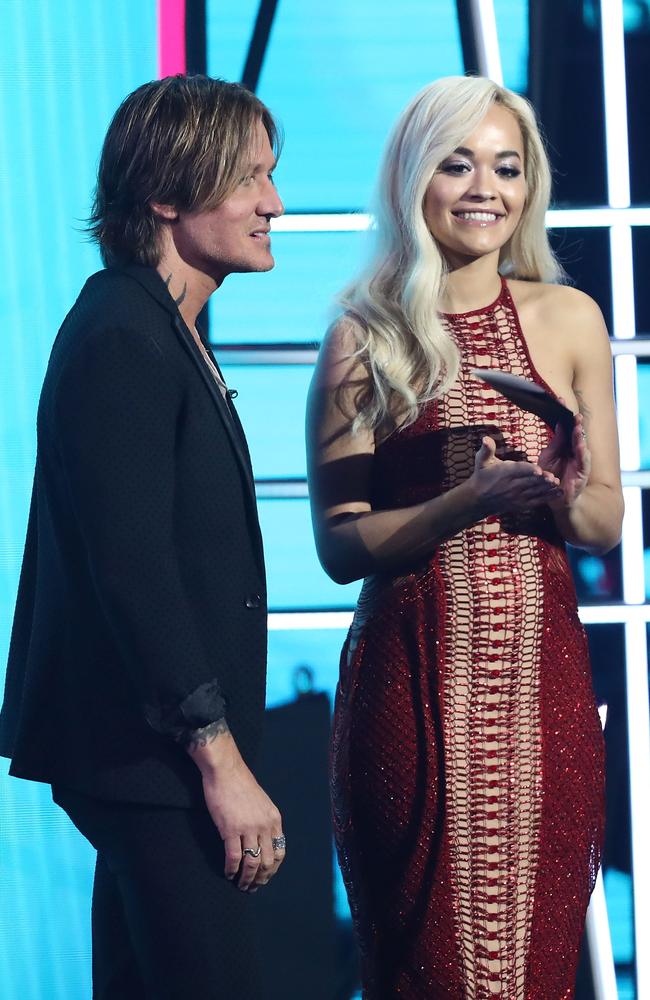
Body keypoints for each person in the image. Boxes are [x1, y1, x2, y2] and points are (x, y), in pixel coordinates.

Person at [306, 76, 623, 999]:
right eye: (458, 163)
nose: (486, 187)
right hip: (409, 691)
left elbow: (604, 520)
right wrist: (466, 501)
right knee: (423, 969)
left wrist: (562, 494)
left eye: (507, 166)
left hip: (543, 693)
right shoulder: (362, 336)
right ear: (415, 179)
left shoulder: (571, 319)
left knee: (535, 970)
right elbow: (337, 547)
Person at [0, 75, 286, 999]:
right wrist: (221, 761)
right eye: (249, 179)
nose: (272, 204)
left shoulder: (162, 328)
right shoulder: (122, 333)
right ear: (167, 193)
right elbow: (132, 572)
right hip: (152, 762)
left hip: (152, 761)